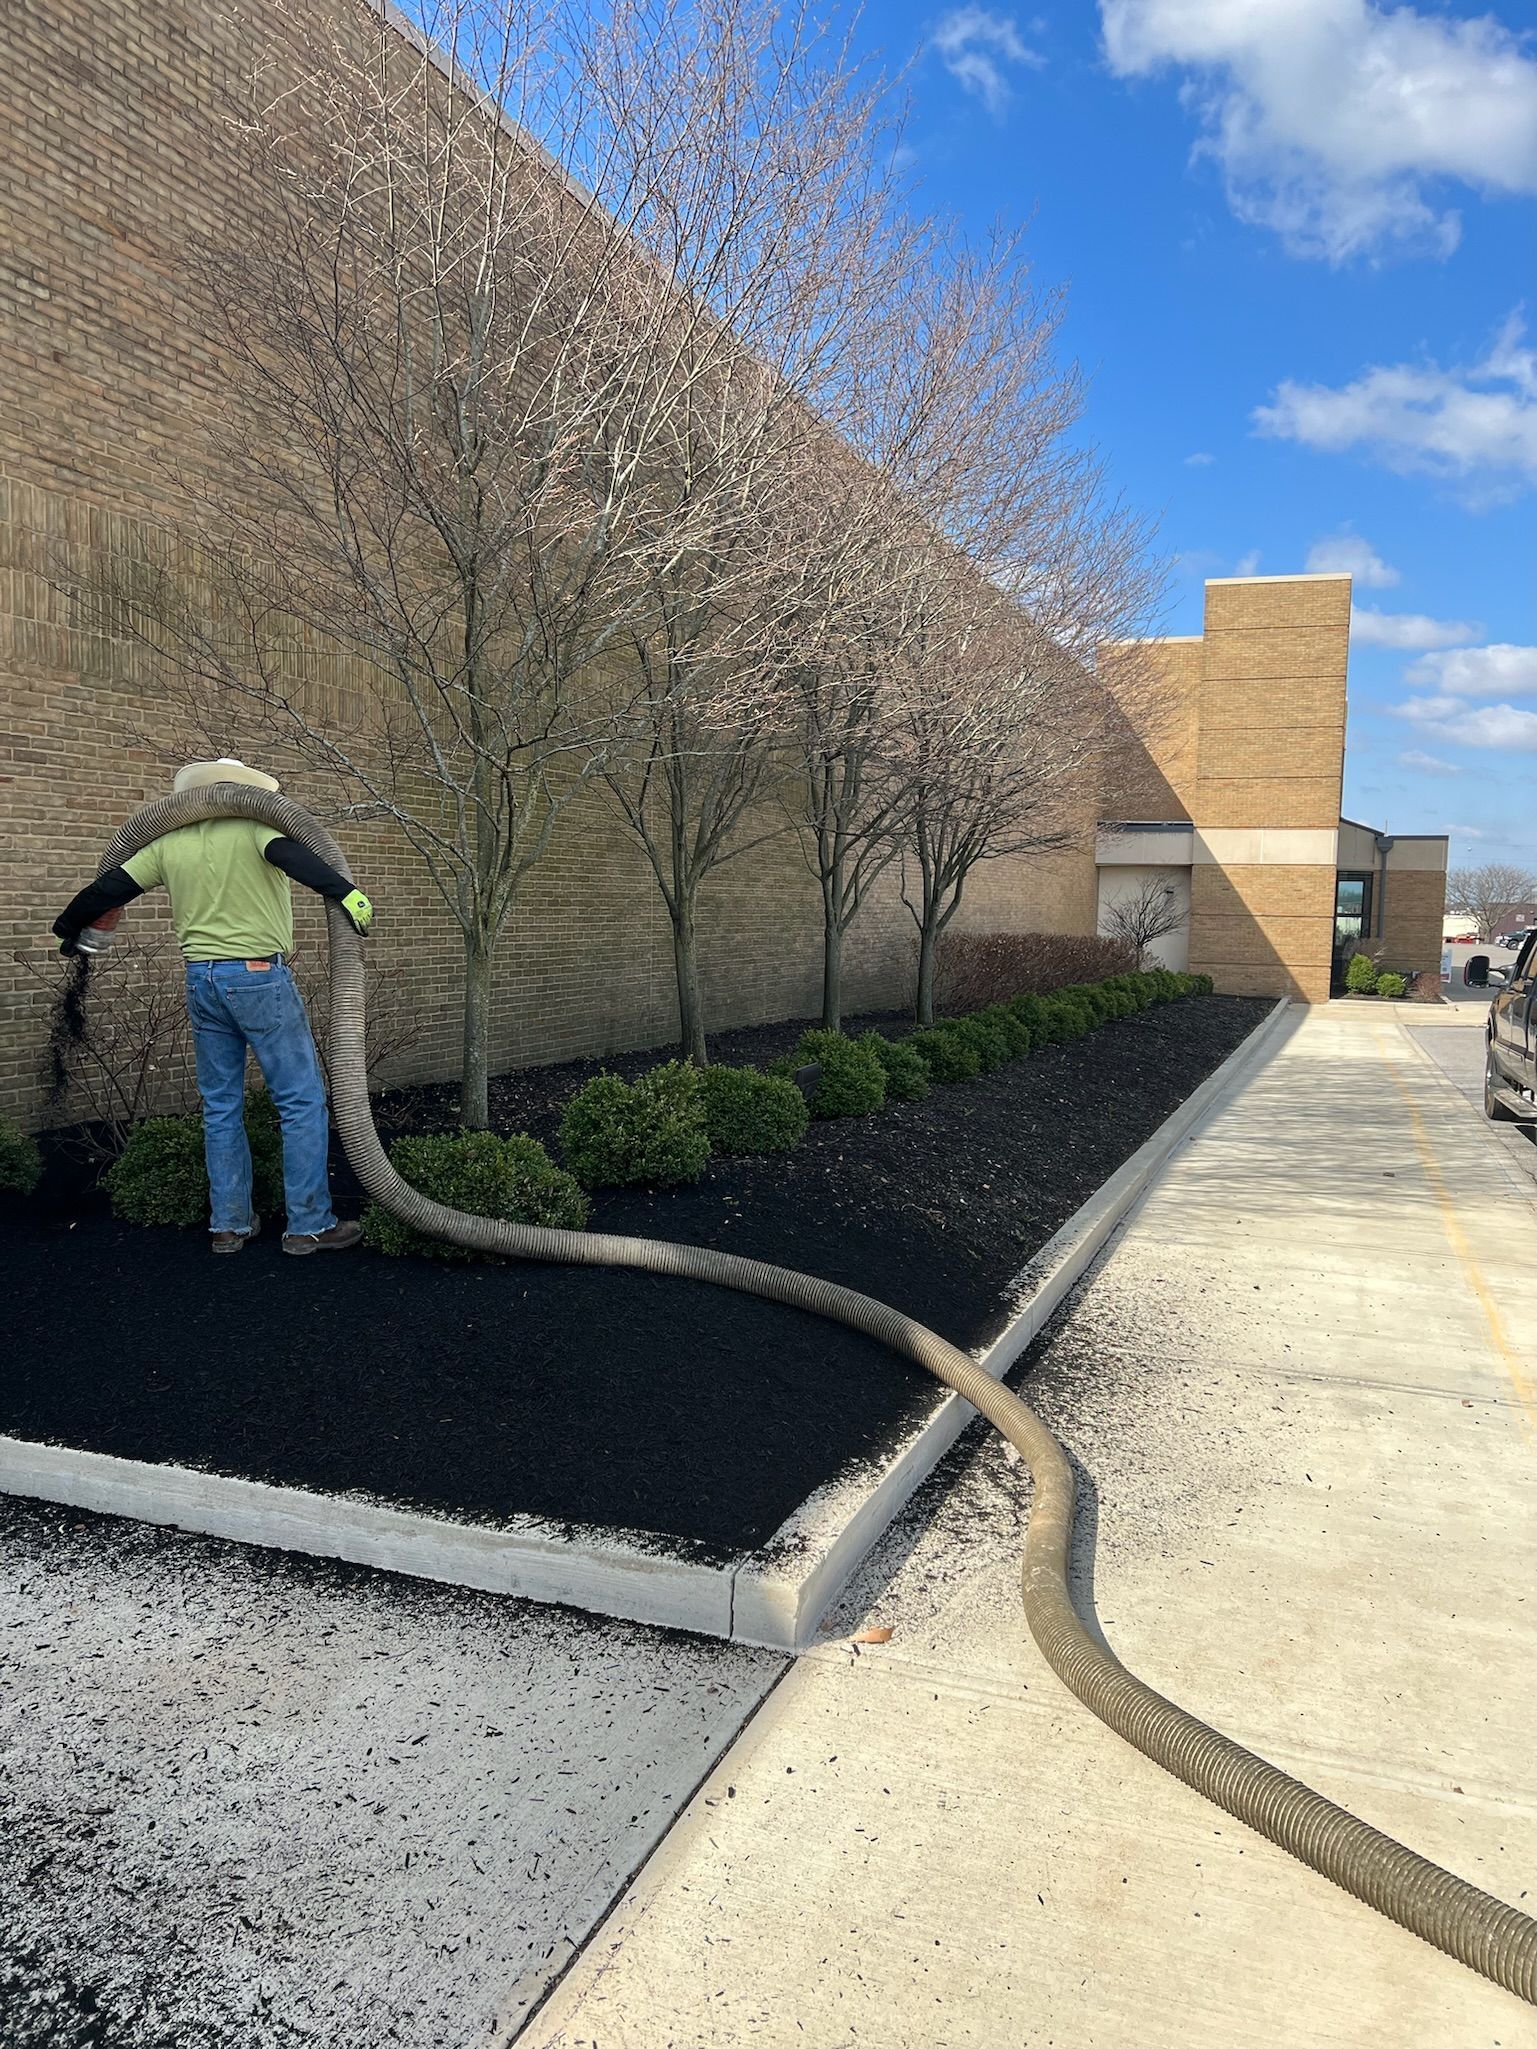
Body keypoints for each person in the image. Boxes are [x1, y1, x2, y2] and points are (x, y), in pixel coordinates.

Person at [52, 759, 375, 1257]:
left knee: (221, 1106)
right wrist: (348, 893)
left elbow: (108, 889)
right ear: (246, 793)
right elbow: (302, 861)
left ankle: (228, 1225)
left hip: (201, 980)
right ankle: (309, 1225)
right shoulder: (256, 831)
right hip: (258, 977)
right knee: (301, 1100)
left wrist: (68, 927)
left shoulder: (166, 844)